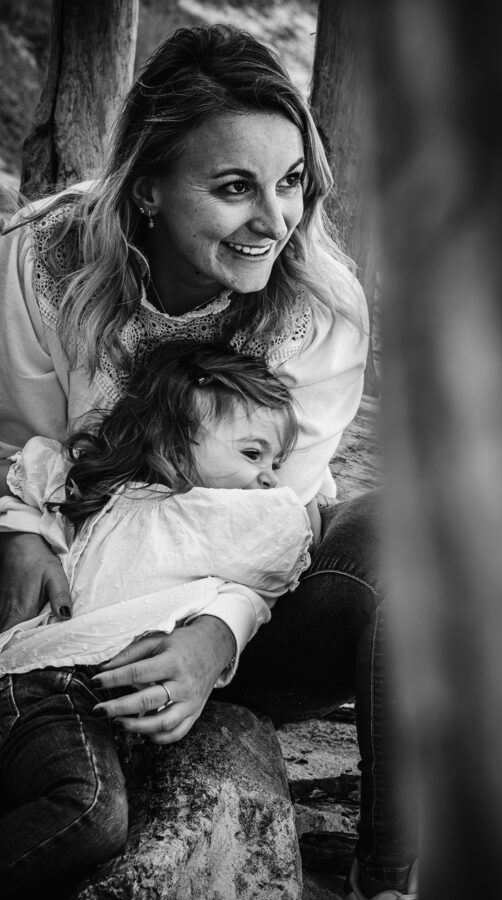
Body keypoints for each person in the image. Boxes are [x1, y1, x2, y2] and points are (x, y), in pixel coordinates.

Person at [0, 23, 417, 900]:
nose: (277, 221)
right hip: (67, 599)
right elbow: (14, 443)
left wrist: (210, 640)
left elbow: (272, 525)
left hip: (237, 617)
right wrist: (23, 532)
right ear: (147, 190)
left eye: (294, 181)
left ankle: (387, 878)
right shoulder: (43, 264)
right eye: (235, 188)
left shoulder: (320, 308)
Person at [0, 341, 314, 891]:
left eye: (275, 462)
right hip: (41, 683)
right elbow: (25, 485)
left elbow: (278, 561)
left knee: (87, 803)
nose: (268, 477)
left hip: (92, 703)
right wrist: (24, 528)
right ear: (171, 437)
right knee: (92, 811)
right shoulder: (104, 489)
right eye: (251, 453)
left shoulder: (238, 525)